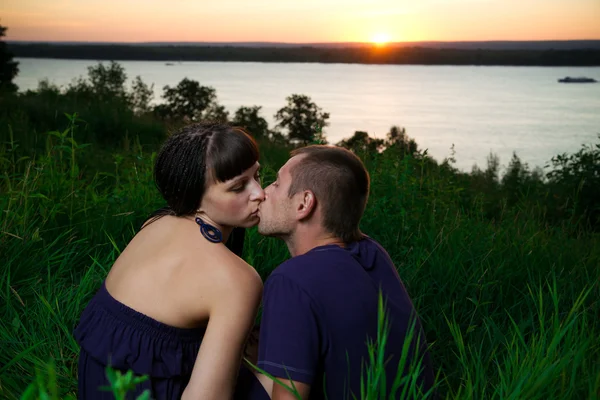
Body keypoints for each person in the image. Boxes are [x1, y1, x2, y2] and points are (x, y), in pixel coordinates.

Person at [74, 122, 265, 399]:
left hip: (95, 387)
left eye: (257, 175)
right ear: (194, 196)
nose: (259, 193)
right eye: (238, 187)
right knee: (282, 371)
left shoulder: (157, 221)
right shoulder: (237, 281)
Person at [243, 145, 435, 400]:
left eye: (276, 184)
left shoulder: (291, 280)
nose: (263, 193)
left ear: (304, 203)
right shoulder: (373, 254)